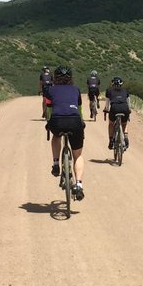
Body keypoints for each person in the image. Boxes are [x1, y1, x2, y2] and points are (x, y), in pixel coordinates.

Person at [45, 65, 85, 200]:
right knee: (77, 155)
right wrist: (82, 122)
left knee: (56, 137)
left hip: (57, 121)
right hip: (75, 122)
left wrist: (49, 123)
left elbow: (49, 110)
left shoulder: (50, 90)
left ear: (55, 78)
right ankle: (79, 185)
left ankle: (56, 163)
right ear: (71, 78)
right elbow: (79, 110)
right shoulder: (76, 90)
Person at [104, 75, 131, 151]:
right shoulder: (125, 91)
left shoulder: (109, 91)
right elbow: (128, 103)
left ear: (112, 84)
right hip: (125, 108)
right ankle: (125, 136)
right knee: (124, 123)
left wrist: (106, 110)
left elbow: (107, 103)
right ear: (121, 84)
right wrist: (129, 110)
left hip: (114, 108)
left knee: (111, 123)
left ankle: (111, 140)